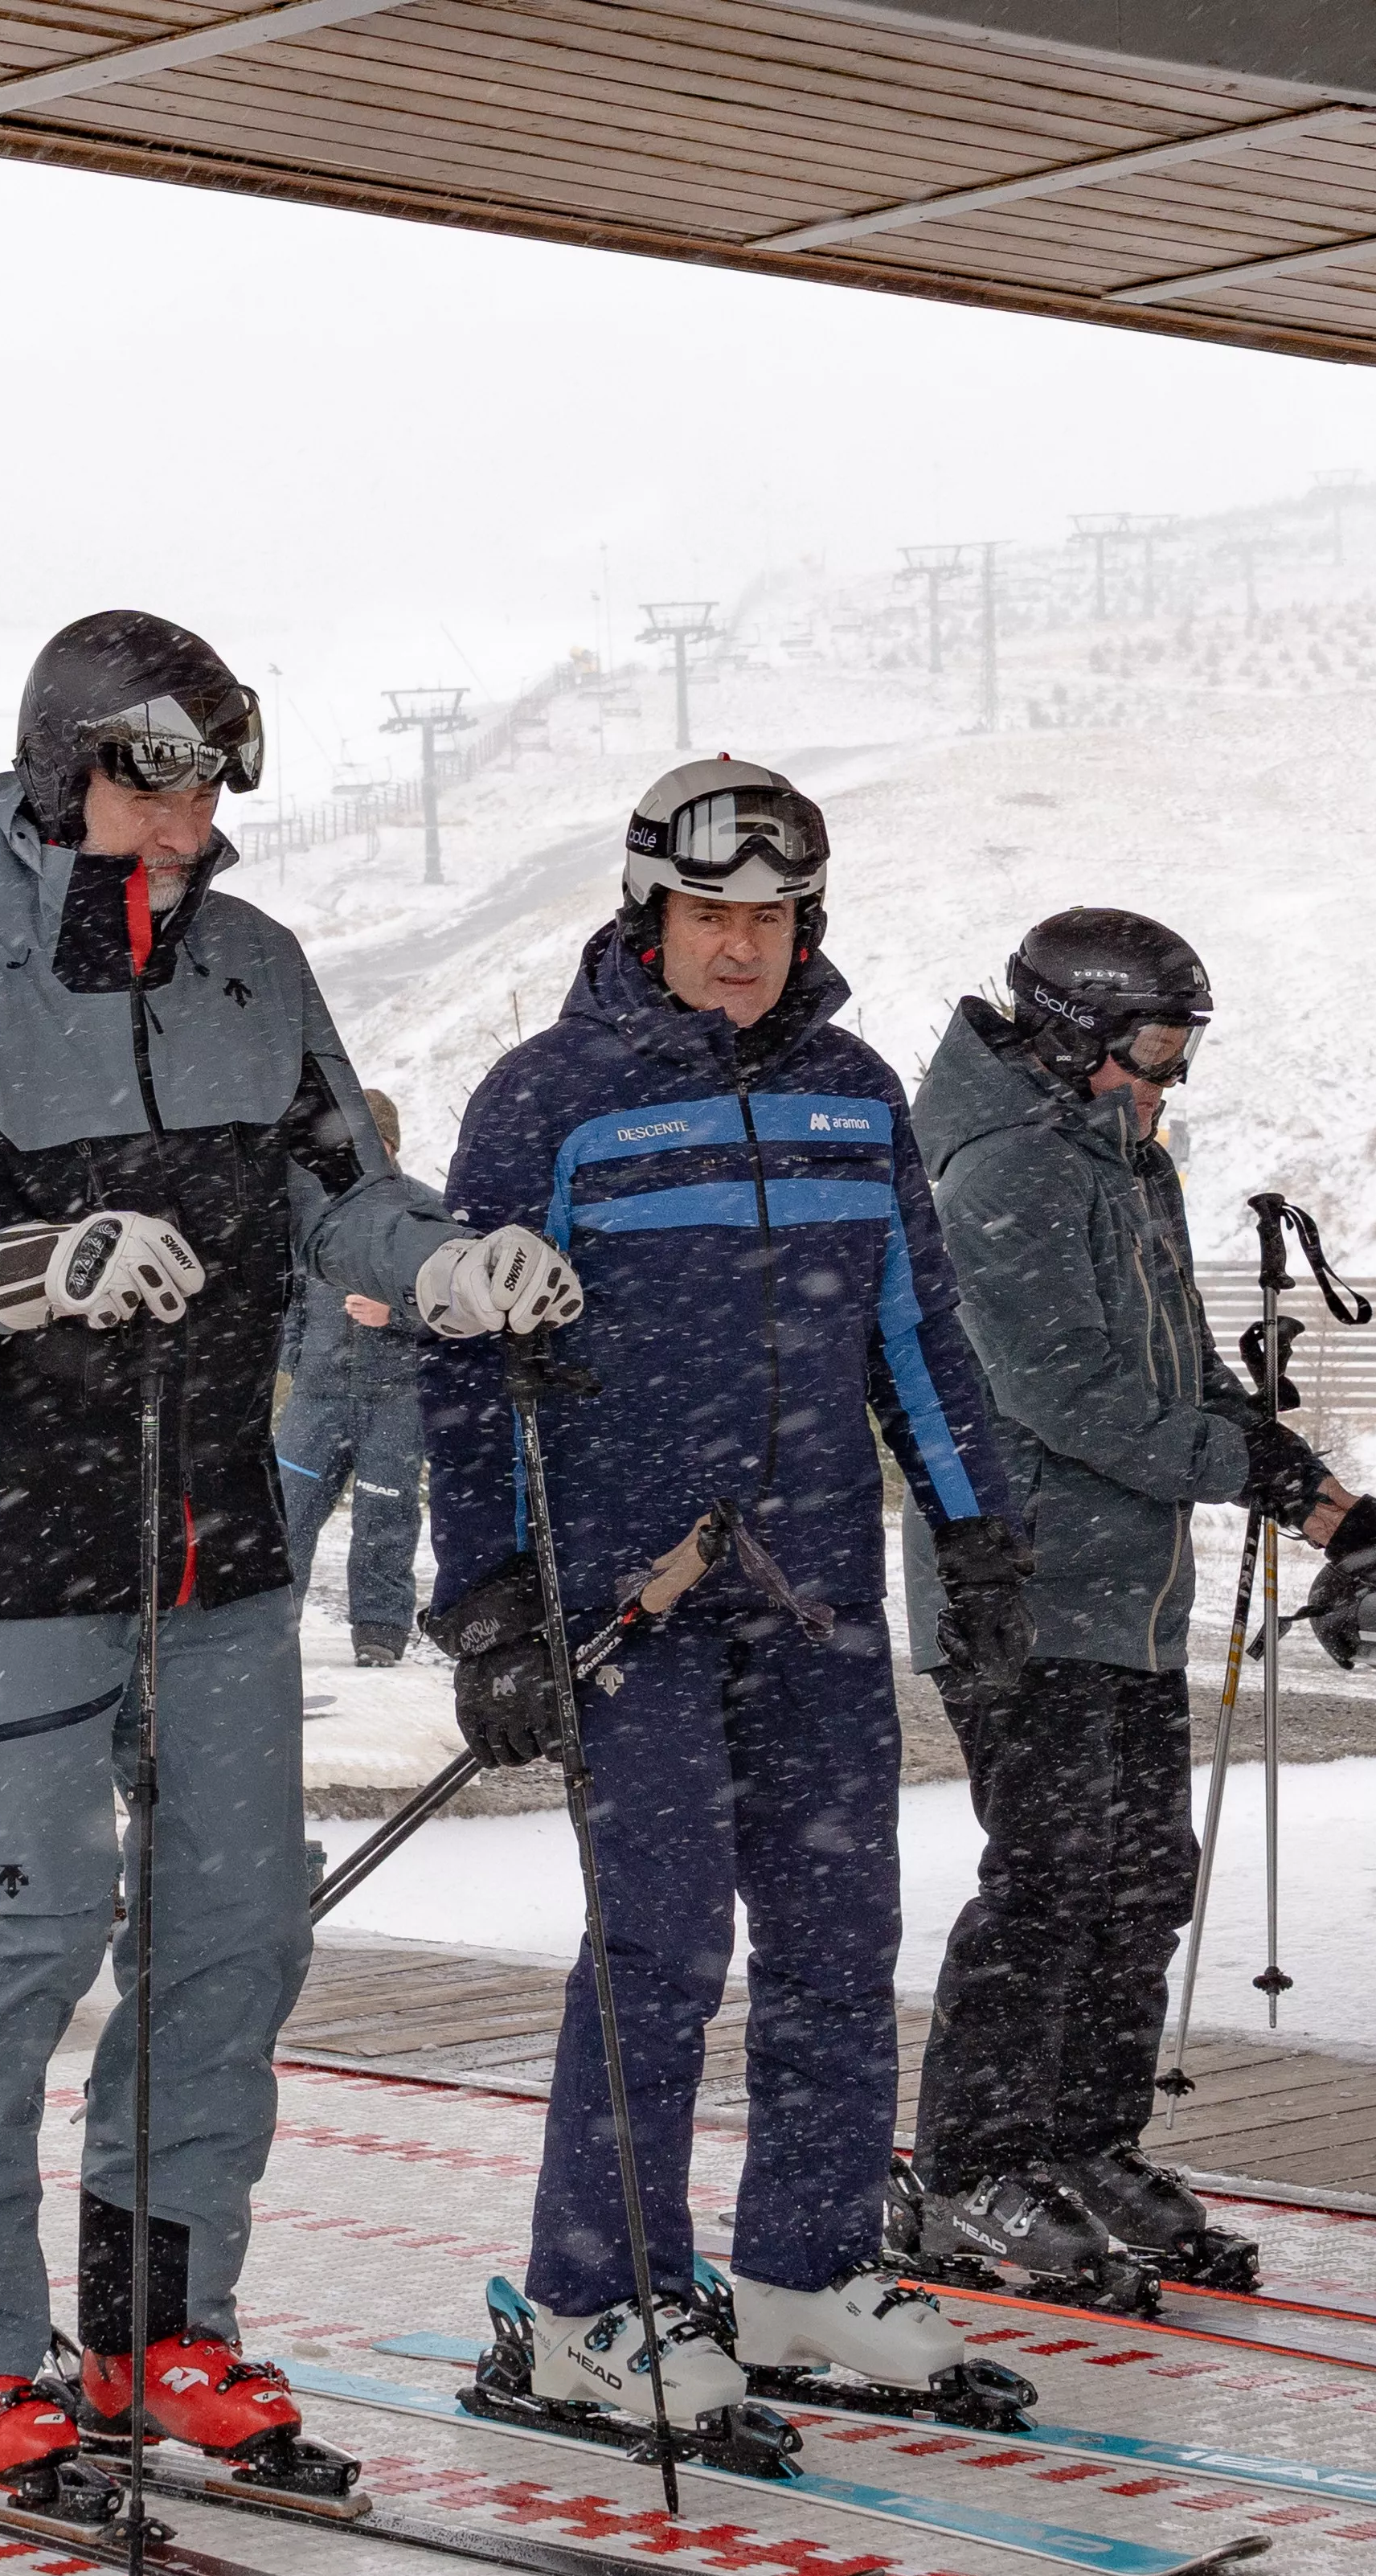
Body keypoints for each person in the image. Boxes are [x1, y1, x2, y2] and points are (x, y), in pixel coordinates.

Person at [0, 608, 576, 2496]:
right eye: (148, 774)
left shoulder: (255, 968)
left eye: (205, 778)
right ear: (57, 768)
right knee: (24, 1934)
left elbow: (342, 1193)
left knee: (237, 1927)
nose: (183, 812)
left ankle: (154, 2321)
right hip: (7, 1538)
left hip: (210, 1529)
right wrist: (28, 1268)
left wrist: (444, 1260)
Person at [420, 757, 1025, 2431]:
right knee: (662, 1945)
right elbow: (475, 1374)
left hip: (817, 1588)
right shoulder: (547, 1100)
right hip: (636, 1596)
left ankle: (802, 2269)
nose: (741, 948)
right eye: (710, 914)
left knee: (842, 1935)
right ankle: (590, 2302)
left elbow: (914, 1325)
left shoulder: (854, 1091)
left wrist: (977, 1530)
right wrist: (485, 1600)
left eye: (770, 918)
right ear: (649, 914)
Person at [895, 907, 1376, 2302]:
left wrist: (1314, 1494)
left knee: (1138, 1882)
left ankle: (1081, 2143)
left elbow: (1179, 1368)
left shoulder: (1123, 1161)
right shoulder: (999, 1170)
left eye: (1181, 1048)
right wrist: (1231, 1460)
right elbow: (1060, 1395)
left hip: (1123, 1596)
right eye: (1149, 1046)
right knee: (1049, 1882)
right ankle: (967, 2172)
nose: (1166, 1076)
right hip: (1020, 1587)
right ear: (1072, 1035)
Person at [273, 1085, 431, 1668]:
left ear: (386, 1144)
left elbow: (456, 1307)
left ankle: (379, 1634)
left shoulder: (425, 1213)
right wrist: (297, 1357)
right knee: (287, 1514)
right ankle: (271, 1630)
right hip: (316, 1398)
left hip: (395, 1398)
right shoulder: (314, 1213)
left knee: (384, 1518)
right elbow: (289, 1297)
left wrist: (397, 1316)